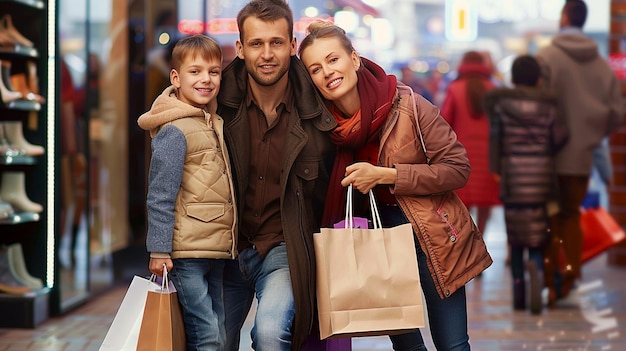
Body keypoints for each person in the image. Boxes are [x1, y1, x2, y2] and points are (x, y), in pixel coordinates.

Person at [299, 20, 492, 351]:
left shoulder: (408, 105)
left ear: (354, 58)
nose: (327, 72)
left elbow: (457, 168)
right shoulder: (321, 126)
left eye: (333, 59)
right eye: (315, 68)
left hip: (432, 235)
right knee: (407, 347)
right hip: (375, 240)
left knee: (452, 344)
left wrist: (388, 175)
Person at [215, 1, 337, 350]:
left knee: (270, 334)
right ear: (240, 48)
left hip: (285, 247)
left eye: (276, 42)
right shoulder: (215, 101)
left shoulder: (317, 107)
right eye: (256, 43)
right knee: (214, 341)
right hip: (227, 250)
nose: (267, 54)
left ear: (293, 45)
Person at [137, 34, 236, 351]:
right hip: (185, 254)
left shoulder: (211, 122)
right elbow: (160, 195)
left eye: (214, 71)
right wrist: (159, 250)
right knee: (207, 335)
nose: (206, 79)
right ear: (176, 78)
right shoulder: (176, 129)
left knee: (217, 332)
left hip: (214, 249)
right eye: (195, 71)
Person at [535, 0, 623, 304]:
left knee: (549, 217)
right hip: (581, 157)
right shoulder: (602, 65)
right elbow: (616, 112)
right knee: (572, 217)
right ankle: (569, 276)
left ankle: (550, 277)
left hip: (547, 158)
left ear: (564, 17)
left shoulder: (546, 57)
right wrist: (592, 135)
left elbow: (531, 106)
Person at [484, 55, 568, 314]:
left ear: (513, 78)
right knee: (538, 231)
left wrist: (497, 169)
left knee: (515, 234)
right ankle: (537, 269)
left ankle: (519, 287)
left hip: (512, 175)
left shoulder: (502, 105)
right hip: (542, 175)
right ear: (537, 78)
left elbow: (495, 141)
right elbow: (560, 137)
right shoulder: (550, 106)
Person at [441, 51, 500, 236]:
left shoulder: (455, 88)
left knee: (462, 205)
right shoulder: (493, 89)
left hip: (461, 156)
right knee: (484, 204)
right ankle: (481, 238)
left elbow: (444, 122)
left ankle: (467, 242)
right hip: (488, 157)